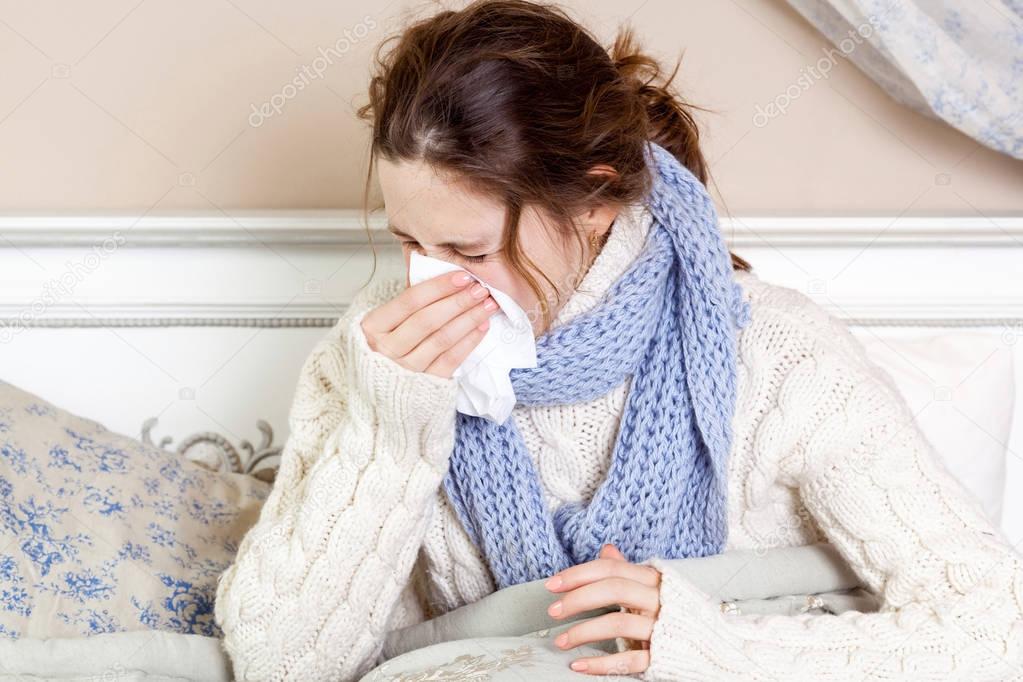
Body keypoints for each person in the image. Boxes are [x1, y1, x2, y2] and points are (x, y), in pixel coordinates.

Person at [213, 1, 1023, 679]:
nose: (430, 281)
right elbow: (280, 665)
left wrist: (715, 649)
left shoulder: (777, 354)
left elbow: (993, 631)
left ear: (593, 204)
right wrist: (389, 429)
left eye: (468, 251)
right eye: (406, 242)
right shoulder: (379, 358)